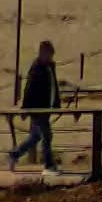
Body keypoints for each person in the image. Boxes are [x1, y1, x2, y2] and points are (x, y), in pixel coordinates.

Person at [9, 40, 60, 171]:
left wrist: (57, 105)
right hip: (37, 109)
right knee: (47, 135)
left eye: (51, 55)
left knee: (35, 137)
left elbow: (54, 87)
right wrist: (25, 109)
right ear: (42, 53)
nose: (50, 58)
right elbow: (29, 89)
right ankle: (49, 165)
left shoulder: (50, 67)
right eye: (48, 55)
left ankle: (14, 154)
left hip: (45, 109)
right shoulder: (36, 68)